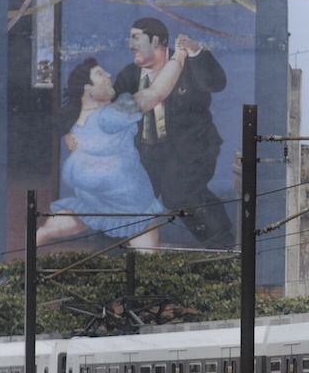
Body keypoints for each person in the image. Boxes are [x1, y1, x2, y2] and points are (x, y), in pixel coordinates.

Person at [113, 17, 234, 248]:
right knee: (133, 196)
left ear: (156, 40)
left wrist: (197, 52)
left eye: (136, 38)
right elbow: (110, 107)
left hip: (191, 148)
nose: (130, 44)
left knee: (179, 194)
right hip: (147, 151)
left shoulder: (189, 65)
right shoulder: (130, 75)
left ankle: (221, 242)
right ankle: (120, 251)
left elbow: (217, 83)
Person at [38, 57, 165, 248]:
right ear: (87, 89)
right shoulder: (111, 115)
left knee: (83, 214)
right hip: (128, 198)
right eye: (100, 74)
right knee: (144, 239)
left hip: (90, 189)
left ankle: (37, 237)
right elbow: (155, 93)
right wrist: (178, 59)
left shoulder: (77, 123)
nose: (108, 75)